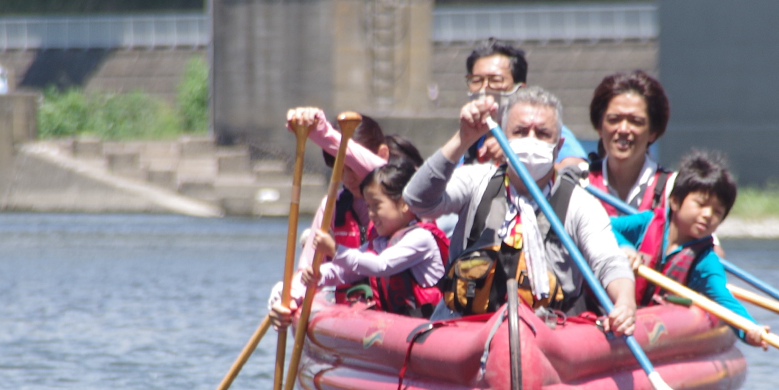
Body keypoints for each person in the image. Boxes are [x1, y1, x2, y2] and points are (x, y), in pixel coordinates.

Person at [404, 87, 636, 335]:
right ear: (502, 138)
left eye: (543, 133)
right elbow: (418, 201)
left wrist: (625, 302)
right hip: (464, 331)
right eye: (520, 132)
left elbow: (609, 261)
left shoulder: (580, 203)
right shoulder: (476, 180)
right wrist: (463, 138)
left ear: (559, 146)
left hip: (547, 336)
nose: (531, 140)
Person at [610, 150, 766, 346]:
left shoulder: (706, 261)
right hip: (613, 307)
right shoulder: (646, 222)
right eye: (701, 204)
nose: (708, 214)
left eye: (717, 211)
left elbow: (724, 300)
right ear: (675, 201)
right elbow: (606, 227)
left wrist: (749, 329)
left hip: (651, 326)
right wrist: (625, 247)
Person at [268, 108, 392, 328]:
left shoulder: (404, 195)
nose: (347, 178)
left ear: (381, 155)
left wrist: (322, 132)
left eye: (352, 167)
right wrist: (287, 297)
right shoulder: (333, 206)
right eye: (339, 169)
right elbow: (308, 270)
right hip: (351, 311)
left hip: (393, 315)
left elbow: (381, 170)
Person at [304, 161, 449, 318]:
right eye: (368, 206)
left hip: (429, 322)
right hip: (400, 324)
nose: (371, 214)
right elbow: (347, 270)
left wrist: (335, 249)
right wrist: (319, 274)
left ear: (404, 204)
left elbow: (381, 265)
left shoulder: (420, 238)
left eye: (376, 205)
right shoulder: (380, 242)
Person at [461, 38, 588, 171]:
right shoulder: (469, 140)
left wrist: (515, 157)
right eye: (476, 80)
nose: (485, 88)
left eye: (495, 80)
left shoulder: (543, 129)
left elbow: (578, 169)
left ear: (519, 88)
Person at [586, 70, 673, 215]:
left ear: (653, 132)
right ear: (599, 127)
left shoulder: (673, 191)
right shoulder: (578, 184)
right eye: (614, 119)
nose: (623, 129)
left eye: (635, 121)